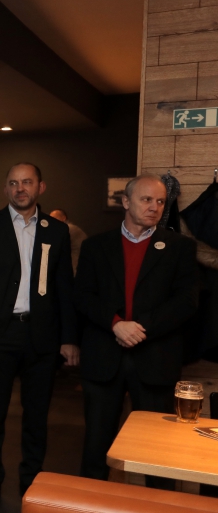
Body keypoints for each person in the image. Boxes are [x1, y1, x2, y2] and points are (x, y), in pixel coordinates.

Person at [0, 162, 79, 510]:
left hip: (42, 335)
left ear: (40, 187)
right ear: (6, 189)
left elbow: (65, 287)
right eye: (13, 183)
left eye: (27, 182)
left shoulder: (57, 231)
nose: (20, 188)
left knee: (36, 414)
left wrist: (69, 337)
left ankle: (31, 481)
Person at [76, 174, 198, 489]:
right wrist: (115, 323)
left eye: (160, 202)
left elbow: (186, 301)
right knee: (97, 444)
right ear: (126, 202)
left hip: (154, 358)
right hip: (104, 357)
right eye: (146, 199)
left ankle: (157, 511)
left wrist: (141, 329)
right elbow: (83, 296)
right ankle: (92, 504)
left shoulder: (180, 248)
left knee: (157, 448)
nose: (154, 207)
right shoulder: (96, 246)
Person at [49, 208, 88, 275]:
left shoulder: (68, 229)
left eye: (54, 218)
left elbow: (53, 244)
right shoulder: (69, 228)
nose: (51, 221)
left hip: (75, 265)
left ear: (64, 218)